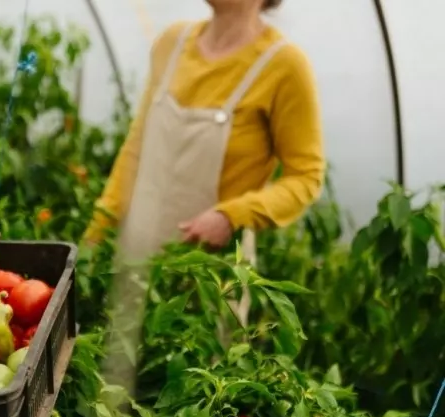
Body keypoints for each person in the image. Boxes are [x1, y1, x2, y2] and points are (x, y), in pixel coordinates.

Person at [85, 0, 324, 281]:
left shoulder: (284, 66)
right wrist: (95, 235)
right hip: (134, 260)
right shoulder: (172, 44)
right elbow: (136, 150)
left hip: (210, 279)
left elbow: (306, 177)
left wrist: (231, 216)